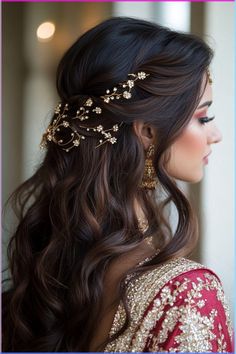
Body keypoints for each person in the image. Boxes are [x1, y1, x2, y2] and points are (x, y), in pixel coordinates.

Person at [2, 17, 233, 352]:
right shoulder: (187, 295)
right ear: (147, 131)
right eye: (203, 117)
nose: (216, 135)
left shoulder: (45, 280)